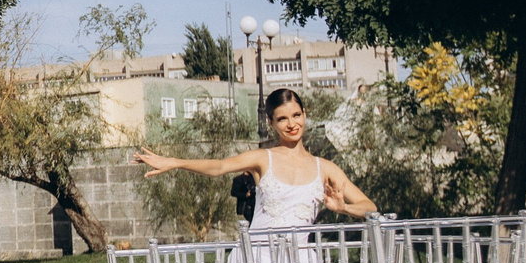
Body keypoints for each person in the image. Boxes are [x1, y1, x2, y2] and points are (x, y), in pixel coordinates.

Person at [132, 87, 376, 229]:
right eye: (282, 119)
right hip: (259, 262)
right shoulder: (263, 158)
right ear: (271, 123)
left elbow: (369, 207)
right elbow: (219, 166)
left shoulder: (325, 168)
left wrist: (344, 208)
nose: (292, 124)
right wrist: (174, 162)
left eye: (296, 115)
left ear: (305, 114)